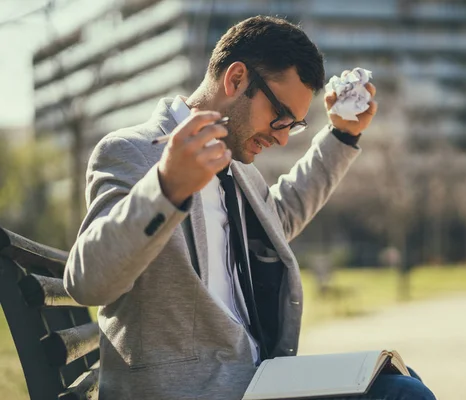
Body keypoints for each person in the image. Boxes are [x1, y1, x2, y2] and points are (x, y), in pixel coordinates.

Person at [63, 16, 436, 400]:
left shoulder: (237, 169)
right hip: (194, 390)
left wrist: (343, 134)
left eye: (293, 125)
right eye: (280, 117)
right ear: (236, 78)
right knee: (403, 395)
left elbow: (282, 215)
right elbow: (87, 282)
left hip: (259, 382)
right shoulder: (133, 152)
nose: (280, 137)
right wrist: (166, 188)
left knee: (404, 381)